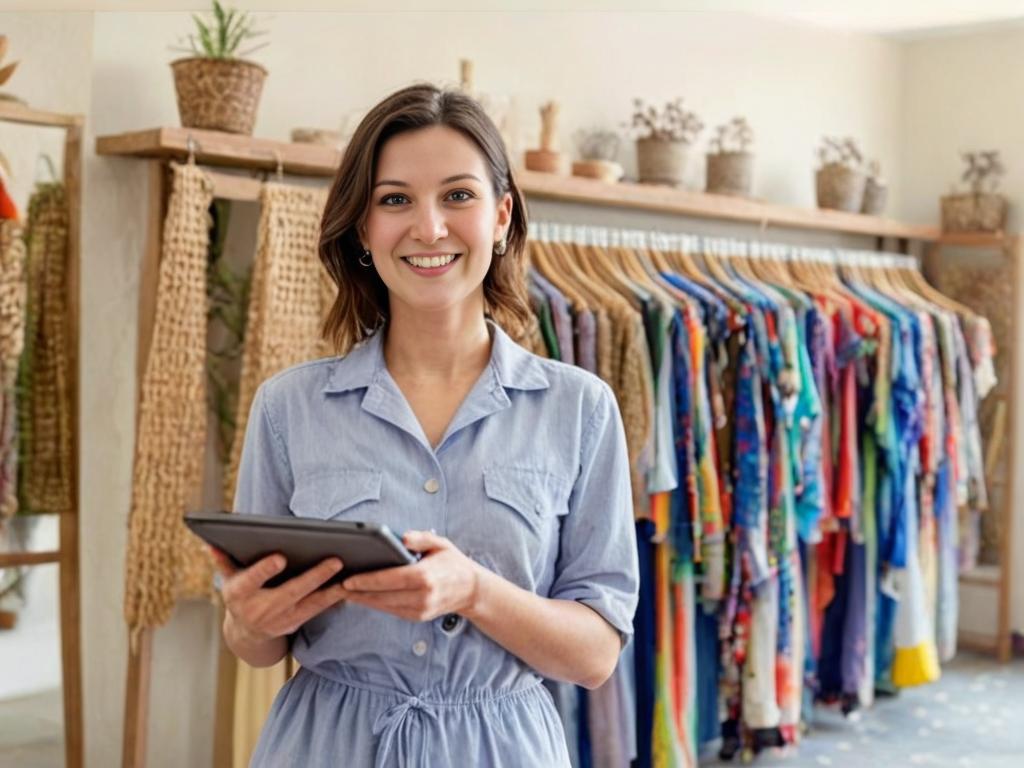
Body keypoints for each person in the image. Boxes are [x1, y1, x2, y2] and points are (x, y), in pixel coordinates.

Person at [210, 83, 639, 767]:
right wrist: (246, 621)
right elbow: (258, 647)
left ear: (501, 216)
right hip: (324, 747)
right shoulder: (289, 408)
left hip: (503, 748)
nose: (429, 227)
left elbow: (595, 657)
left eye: (458, 196)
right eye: (395, 199)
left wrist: (473, 590)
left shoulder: (580, 409)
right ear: (361, 228)